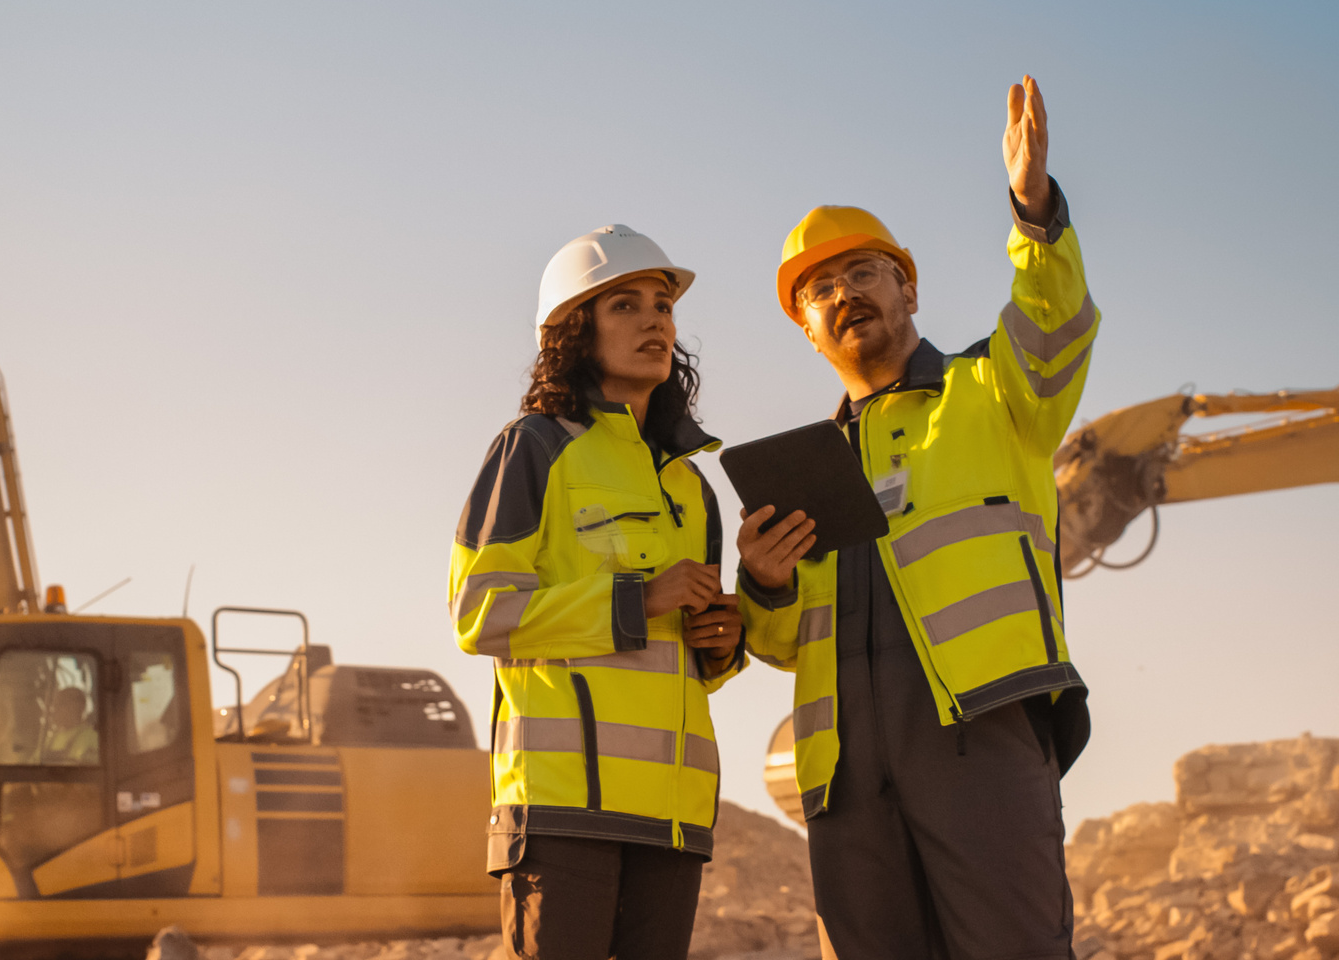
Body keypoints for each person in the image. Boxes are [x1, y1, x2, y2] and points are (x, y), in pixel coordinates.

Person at [735, 76, 1097, 959]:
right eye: (821, 289)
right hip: (845, 773)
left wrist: (1033, 212)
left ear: (910, 293)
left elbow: (1054, 322)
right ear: (808, 331)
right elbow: (781, 644)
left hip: (979, 736)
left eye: (866, 272)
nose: (846, 293)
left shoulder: (996, 391)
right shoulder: (803, 473)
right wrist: (762, 581)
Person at [447, 225, 789, 960]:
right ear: (574, 332)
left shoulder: (691, 488)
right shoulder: (534, 447)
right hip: (563, 812)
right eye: (625, 306)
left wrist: (722, 642)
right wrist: (638, 599)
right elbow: (480, 614)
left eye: (662, 306)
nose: (656, 321)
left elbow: (689, 667)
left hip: (671, 819)